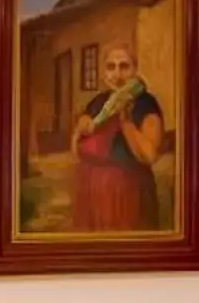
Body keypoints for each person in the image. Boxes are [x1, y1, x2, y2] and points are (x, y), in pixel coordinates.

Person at [70, 41, 166, 231]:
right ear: (104, 73)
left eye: (124, 66)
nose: (117, 74)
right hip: (93, 191)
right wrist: (80, 128)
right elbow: (76, 146)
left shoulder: (145, 104)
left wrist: (126, 122)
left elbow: (149, 155)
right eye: (111, 67)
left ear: (135, 70)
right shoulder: (99, 102)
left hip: (127, 191)